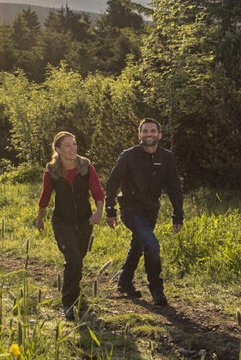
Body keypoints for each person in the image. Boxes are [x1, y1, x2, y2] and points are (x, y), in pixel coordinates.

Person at [104, 118, 183, 307]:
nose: (149, 135)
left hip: (151, 210)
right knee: (151, 243)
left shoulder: (166, 157)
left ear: (159, 135)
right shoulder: (129, 156)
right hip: (130, 209)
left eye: (153, 131)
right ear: (140, 135)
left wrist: (177, 214)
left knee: (139, 245)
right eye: (145, 131)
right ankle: (157, 290)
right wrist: (110, 208)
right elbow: (113, 181)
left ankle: (124, 281)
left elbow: (174, 187)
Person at [36, 131, 105, 320]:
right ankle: (68, 303)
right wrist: (40, 218)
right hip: (62, 222)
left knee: (78, 260)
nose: (72, 148)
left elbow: (98, 193)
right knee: (73, 259)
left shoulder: (86, 167)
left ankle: (76, 295)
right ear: (58, 149)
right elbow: (45, 196)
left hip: (84, 221)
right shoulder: (51, 171)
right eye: (67, 145)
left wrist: (98, 213)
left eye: (74, 144)